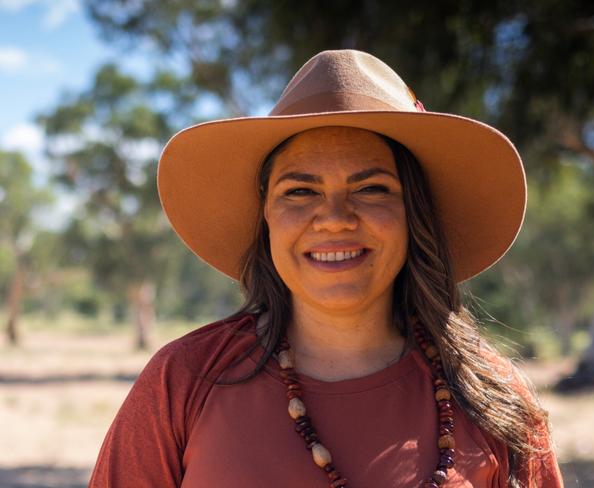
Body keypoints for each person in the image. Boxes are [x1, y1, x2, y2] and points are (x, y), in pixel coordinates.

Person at [89, 49, 564, 488]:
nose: (335, 217)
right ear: (266, 220)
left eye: (371, 188)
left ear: (413, 214)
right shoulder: (184, 381)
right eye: (300, 191)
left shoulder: (494, 399)